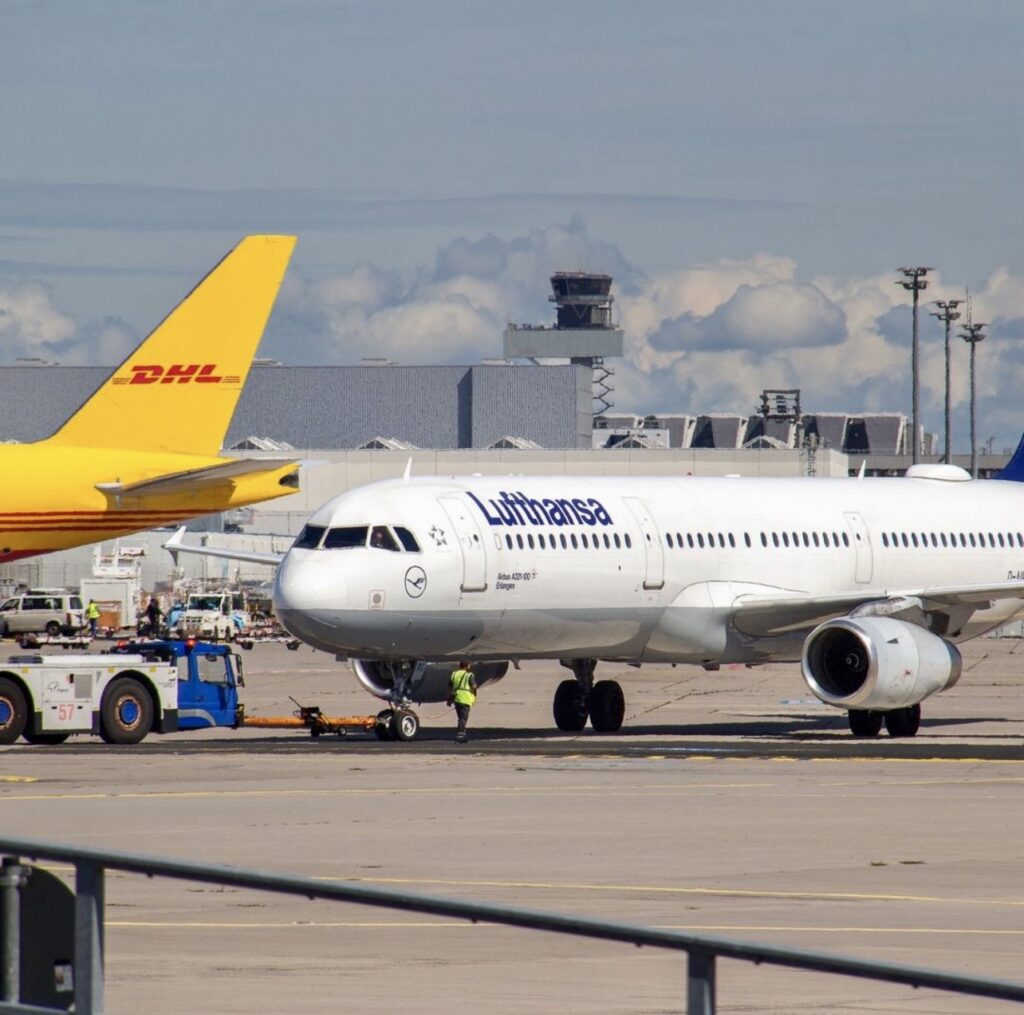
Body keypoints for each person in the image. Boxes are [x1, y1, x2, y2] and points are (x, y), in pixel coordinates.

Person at [447, 660, 478, 743]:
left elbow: (450, 686)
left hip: (457, 698)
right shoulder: (469, 675)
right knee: (463, 718)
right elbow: (474, 686)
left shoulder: (454, 674)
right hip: (466, 699)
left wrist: (449, 699)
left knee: (460, 718)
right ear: (467, 666)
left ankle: (460, 734)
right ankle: (460, 735)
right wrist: (475, 694)